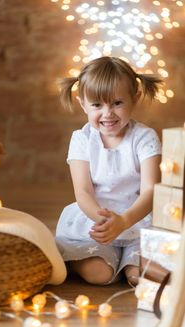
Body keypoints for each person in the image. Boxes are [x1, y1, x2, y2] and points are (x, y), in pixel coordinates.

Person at [56, 56, 162, 286]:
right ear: (83, 104)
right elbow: (83, 192)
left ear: (135, 98)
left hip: (136, 218)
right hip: (96, 221)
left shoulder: (144, 138)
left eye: (116, 103)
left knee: (139, 276)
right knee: (100, 275)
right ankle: (82, 257)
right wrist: (105, 224)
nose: (108, 113)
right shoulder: (82, 139)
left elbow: (150, 191)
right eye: (97, 105)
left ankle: (129, 263)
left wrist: (123, 221)